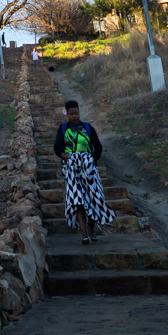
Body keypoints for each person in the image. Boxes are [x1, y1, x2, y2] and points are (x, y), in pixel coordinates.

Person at [53, 100, 115, 244]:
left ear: (79, 112)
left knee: (93, 197)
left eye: (77, 113)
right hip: (72, 168)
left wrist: (91, 159)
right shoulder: (63, 129)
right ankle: (84, 234)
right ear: (66, 114)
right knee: (78, 200)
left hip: (89, 168)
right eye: (71, 114)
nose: (75, 116)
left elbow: (98, 147)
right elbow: (57, 146)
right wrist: (63, 155)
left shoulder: (87, 127)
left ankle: (92, 231)